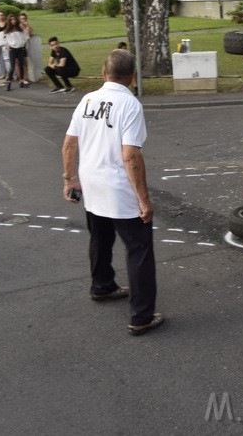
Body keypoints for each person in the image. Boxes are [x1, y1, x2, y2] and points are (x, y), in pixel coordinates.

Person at [61, 49, 163, 336]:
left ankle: (102, 285)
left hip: (91, 183)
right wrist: (144, 200)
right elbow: (130, 155)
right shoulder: (129, 105)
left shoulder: (87, 100)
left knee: (101, 238)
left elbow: (69, 144)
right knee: (139, 249)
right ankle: (141, 316)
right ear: (132, 76)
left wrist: (69, 179)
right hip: (119, 187)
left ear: (104, 75)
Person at [0, 14, 30, 91]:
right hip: (12, 50)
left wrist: (23, 42)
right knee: (12, 67)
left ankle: (21, 81)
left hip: (20, 49)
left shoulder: (19, 29)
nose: (13, 21)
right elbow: (2, 39)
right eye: (12, 20)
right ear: (9, 21)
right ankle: (9, 82)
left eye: (15, 19)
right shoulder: (7, 30)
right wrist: (7, 44)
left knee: (21, 65)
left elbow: (26, 36)